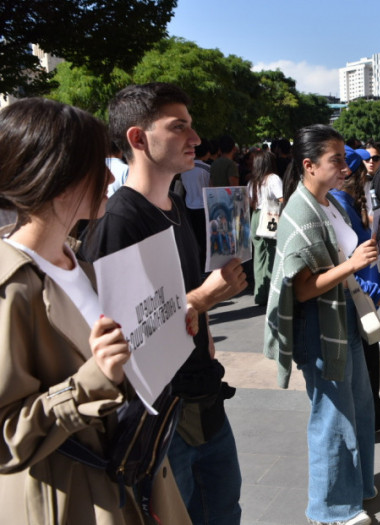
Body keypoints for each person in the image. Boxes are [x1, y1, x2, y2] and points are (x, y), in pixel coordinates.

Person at [0, 97, 191, 524]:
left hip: (130, 481)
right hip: (73, 500)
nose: (109, 176)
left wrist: (168, 329)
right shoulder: (11, 289)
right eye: (96, 165)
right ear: (58, 175)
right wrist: (89, 383)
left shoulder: (83, 266)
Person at [80, 82, 247, 524]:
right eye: (179, 128)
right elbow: (118, 339)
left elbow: (180, 296)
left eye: (191, 127)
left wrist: (204, 322)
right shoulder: (118, 222)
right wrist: (202, 298)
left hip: (204, 396)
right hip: (160, 418)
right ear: (138, 138)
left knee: (224, 510)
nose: (195, 139)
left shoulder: (174, 205)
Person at [264, 125, 377, 525]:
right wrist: (352, 265)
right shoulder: (300, 211)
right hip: (319, 323)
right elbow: (301, 290)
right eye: (335, 160)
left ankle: (355, 489)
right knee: (332, 415)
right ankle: (329, 510)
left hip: (342, 315)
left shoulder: (331, 202)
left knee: (358, 406)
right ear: (309, 166)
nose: (345, 167)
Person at [332, 145, 380, 433]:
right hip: (359, 293)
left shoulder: (346, 201)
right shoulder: (339, 202)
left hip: (365, 290)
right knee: (365, 358)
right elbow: (342, 258)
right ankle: (372, 415)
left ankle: (373, 412)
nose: (370, 169)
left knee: (368, 354)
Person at [248, 150, 282, 306]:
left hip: (255, 216)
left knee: (259, 256)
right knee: (272, 254)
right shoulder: (273, 179)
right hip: (270, 216)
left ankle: (259, 293)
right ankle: (271, 293)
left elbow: (250, 202)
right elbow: (281, 199)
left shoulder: (252, 181)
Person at [181, 142, 212, 269]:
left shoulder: (184, 169)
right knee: (205, 238)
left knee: (195, 238)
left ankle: (197, 264)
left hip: (189, 205)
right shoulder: (207, 168)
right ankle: (206, 264)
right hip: (204, 206)